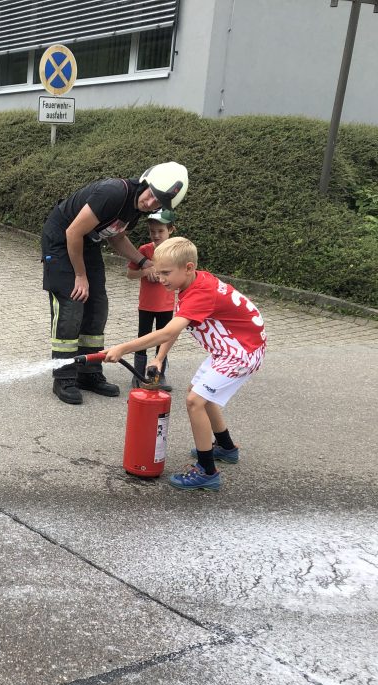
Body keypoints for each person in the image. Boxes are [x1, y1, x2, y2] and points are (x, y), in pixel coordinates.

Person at [103, 237, 267, 491]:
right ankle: (226, 447)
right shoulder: (193, 283)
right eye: (158, 272)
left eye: (166, 273)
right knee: (198, 393)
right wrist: (158, 358)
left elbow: (168, 332)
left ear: (188, 267)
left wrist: (123, 348)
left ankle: (207, 471)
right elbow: (177, 326)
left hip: (241, 352)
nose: (161, 279)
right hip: (231, 348)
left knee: (195, 401)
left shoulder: (201, 293)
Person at [43, 162, 188, 405]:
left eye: (159, 202)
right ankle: (64, 377)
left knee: (97, 306)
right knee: (72, 305)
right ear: (145, 182)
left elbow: (117, 237)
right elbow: (72, 232)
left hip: (87, 244)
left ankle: (88, 372)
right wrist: (80, 275)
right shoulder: (114, 193)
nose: (151, 203)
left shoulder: (135, 208)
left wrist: (144, 262)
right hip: (60, 242)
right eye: (152, 194)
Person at [126, 209, 177, 387]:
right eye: (152, 231)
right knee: (143, 339)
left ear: (171, 230)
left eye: (160, 231)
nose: (156, 235)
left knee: (163, 340)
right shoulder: (144, 250)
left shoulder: (176, 252)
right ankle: (138, 374)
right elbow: (130, 274)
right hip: (146, 305)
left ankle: (159, 375)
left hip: (166, 305)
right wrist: (146, 271)